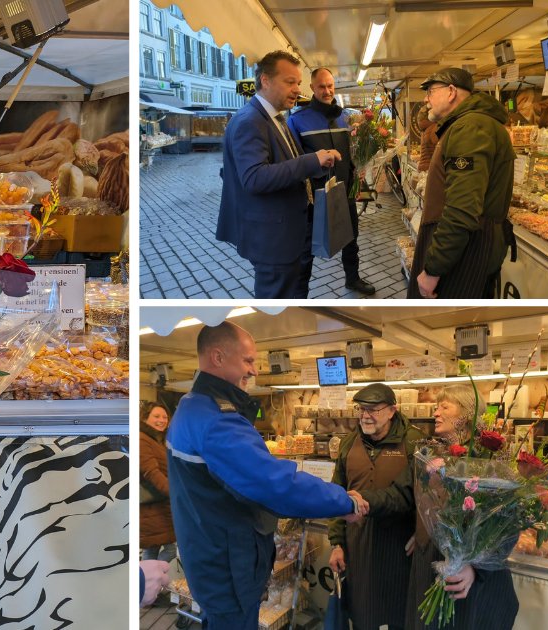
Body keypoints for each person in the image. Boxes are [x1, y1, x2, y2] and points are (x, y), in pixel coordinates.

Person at [166, 321, 368, 629]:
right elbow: (276, 484)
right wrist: (343, 501)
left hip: (209, 555)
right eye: (248, 360)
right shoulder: (216, 420)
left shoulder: (191, 406)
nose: (255, 370)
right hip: (226, 566)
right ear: (218, 357)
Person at [360, 386, 518, 630]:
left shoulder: (488, 458)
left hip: (471, 582)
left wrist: (474, 568)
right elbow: (401, 494)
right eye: (436, 406)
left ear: (468, 413)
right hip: (430, 565)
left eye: (445, 406)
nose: (436, 412)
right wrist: (361, 501)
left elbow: (506, 523)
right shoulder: (427, 455)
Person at [216, 50, 341, 298]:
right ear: (265, 80)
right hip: (272, 240)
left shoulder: (275, 117)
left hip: (287, 233)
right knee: (276, 302)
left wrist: (316, 163)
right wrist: (311, 160)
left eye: (298, 82)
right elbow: (254, 178)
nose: (297, 89)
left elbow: (284, 163)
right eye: (290, 82)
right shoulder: (250, 121)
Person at [326, 383, 425, 630]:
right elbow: (338, 493)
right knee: (362, 613)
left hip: (399, 547)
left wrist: (422, 532)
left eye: (373, 410)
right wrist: (337, 544)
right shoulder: (349, 443)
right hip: (357, 545)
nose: (365, 415)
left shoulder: (413, 442)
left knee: (400, 613)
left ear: (392, 410)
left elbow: (429, 496)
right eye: (362, 409)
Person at [411, 68, 516, 299]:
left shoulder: (470, 127)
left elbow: (462, 208)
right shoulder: (468, 124)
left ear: (450, 92)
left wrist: (433, 269)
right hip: (468, 246)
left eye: (430, 91)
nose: (426, 99)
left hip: (468, 251)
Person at [287, 67, 376, 295]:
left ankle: (353, 278)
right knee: (307, 248)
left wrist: (359, 173)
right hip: (314, 197)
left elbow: (355, 153)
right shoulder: (298, 120)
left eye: (330, 86)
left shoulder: (346, 117)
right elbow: (294, 160)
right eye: (321, 87)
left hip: (345, 190)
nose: (327, 91)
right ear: (312, 88)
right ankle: (301, 294)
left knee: (351, 237)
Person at [140, 401, 178, 563]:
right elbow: (151, 472)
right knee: (167, 550)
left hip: (160, 507)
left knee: (154, 549)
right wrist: (176, 493)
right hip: (153, 508)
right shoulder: (143, 440)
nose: (161, 420)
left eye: (165, 417)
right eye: (156, 416)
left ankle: (150, 586)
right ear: (145, 418)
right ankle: (146, 585)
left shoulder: (157, 439)